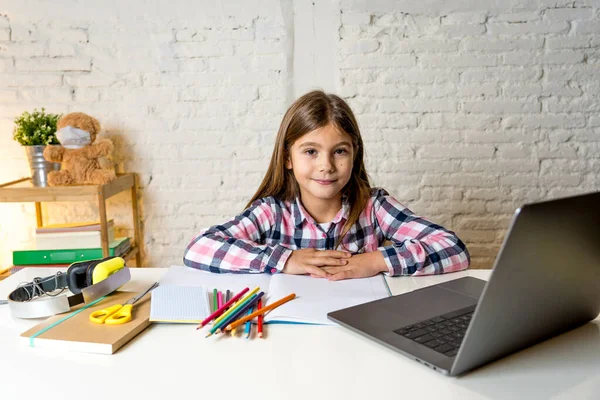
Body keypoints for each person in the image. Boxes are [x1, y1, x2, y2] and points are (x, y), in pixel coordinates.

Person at [183, 90, 470, 280]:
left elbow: (453, 248)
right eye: (310, 151)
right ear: (287, 158)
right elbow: (198, 249)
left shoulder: (374, 206)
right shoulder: (271, 212)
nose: (326, 165)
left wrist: (375, 261)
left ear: (354, 153)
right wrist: (285, 260)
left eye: (340, 151)